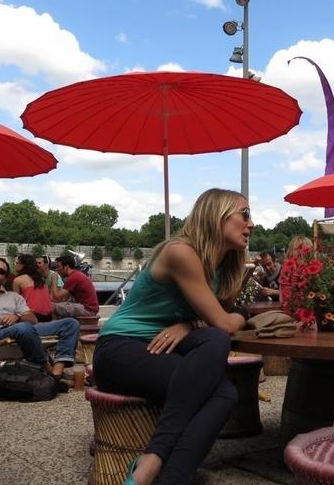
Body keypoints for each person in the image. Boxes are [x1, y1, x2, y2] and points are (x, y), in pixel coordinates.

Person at [92, 188, 252, 485]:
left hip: (163, 347)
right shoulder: (181, 252)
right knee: (223, 390)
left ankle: (156, 469)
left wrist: (191, 325)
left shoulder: (221, 267)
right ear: (216, 216)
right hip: (120, 349)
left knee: (219, 364)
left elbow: (224, 322)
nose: (251, 224)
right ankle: (158, 468)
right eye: (244, 214)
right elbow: (225, 324)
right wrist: (225, 319)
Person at [0, 258, 80, 378]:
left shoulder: (14, 297)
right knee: (23, 327)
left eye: (1, 271)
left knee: (71, 323)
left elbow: (33, 320)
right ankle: (46, 368)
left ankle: (57, 372)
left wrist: (17, 316)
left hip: (23, 330)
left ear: (5, 278)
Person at [12, 253, 53, 322]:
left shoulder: (18, 280)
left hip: (32, 317)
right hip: (48, 316)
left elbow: (16, 303)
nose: (15, 265)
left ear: (23, 265)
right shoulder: (41, 279)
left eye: (17, 263)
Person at [279, 236, 313, 316]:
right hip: (305, 314)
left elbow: (282, 299)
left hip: (289, 314)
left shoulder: (285, 268)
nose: (300, 252)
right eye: (298, 249)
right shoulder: (310, 268)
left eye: (303, 249)